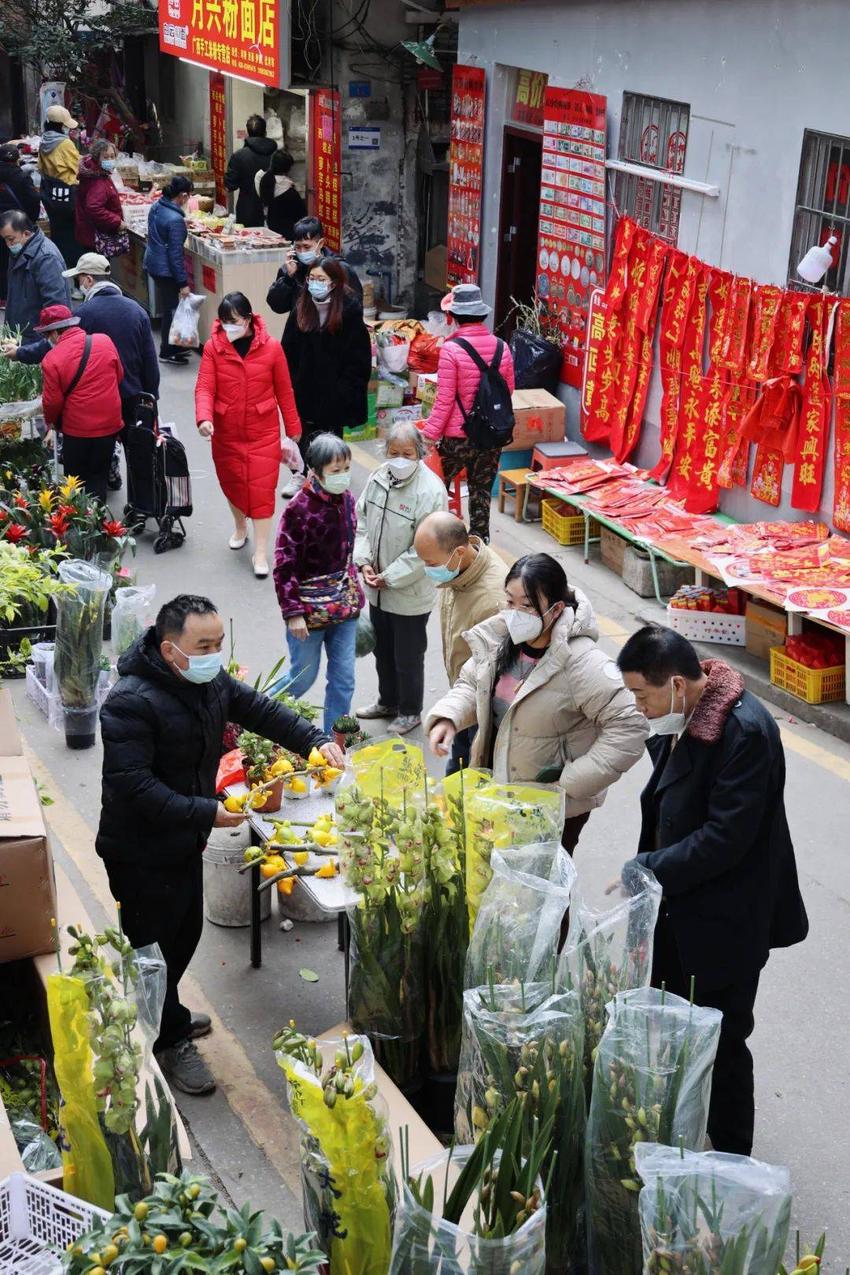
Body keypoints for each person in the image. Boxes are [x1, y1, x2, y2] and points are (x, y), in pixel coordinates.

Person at [97, 594, 344, 1094]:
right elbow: (133, 786)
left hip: (183, 838)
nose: (214, 653)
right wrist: (208, 811)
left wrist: (314, 740)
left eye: (218, 643)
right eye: (203, 645)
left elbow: (262, 711)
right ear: (170, 650)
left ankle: (168, 1016)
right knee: (152, 949)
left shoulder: (208, 681)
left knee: (183, 933)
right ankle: (165, 1042)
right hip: (140, 849)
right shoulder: (129, 702)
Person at [615, 624, 809, 1156]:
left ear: (677, 684)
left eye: (641, 695)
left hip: (727, 919)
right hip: (682, 909)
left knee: (723, 1043)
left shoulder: (744, 732)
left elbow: (726, 839)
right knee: (677, 1026)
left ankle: (729, 1159)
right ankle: (681, 1131)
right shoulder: (679, 716)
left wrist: (650, 866)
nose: (639, 708)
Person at [426, 553, 647, 853]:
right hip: (501, 790)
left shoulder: (582, 662)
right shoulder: (501, 637)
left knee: (543, 891)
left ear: (556, 609)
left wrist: (571, 782)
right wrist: (448, 717)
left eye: (527, 605)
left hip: (551, 808)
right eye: (510, 601)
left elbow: (630, 724)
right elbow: (470, 684)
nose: (515, 613)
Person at [195, 291, 302, 577]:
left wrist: (293, 429)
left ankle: (260, 552)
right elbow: (205, 386)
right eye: (224, 321)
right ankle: (240, 526)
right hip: (226, 432)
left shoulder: (272, 348)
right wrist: (204, 418)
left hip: (262, 432)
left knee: (262, 491)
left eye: (234, 321)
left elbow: (284, 391)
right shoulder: (213, 348)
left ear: (249, 318)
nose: (229, 327)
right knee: (232, 483)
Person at [354, 421, 448, 735]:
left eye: (407, 453)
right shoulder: (378, 478)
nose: (400, 459)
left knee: (408, 655)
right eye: (394, 452)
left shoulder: (431, 491)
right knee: (382, 649)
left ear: (419, 453)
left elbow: (427, 549)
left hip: (409, 593)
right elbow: (363, 521)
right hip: (377, 589)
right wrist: (364, 561)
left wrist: (390, 576)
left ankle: (410, 710)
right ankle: (387, 701)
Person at [272, 433, 365, 733]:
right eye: (335, 471)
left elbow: (348, 550)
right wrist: (293, 612)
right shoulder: (298, 510)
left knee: (344, 680)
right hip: (308, 615)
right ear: (315, 472)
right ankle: (256, 713)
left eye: (346, 469)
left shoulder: (348, 500)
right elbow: (284, 565)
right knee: (302, 678)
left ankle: (333, 741)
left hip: (343, 611)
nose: (343, 477)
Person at [413, 510, 508, 773]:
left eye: (432, 564)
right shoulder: (458, 575)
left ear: (460, 552)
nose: (428, 570)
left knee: (467, 774)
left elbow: (492, 676)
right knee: (458, 766)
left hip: (482, 705)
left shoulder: (493, 599)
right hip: (462, 693)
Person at [421, 283, 516, 543]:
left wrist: (428, 436)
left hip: (457, 438)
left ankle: (435, 541)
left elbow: (444, 400)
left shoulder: (452, 349)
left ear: (454, 316)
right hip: (492, 436)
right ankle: (479, 547)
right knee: (481, 493)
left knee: (434, 487)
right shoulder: (502, 347)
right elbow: (508, 391)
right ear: (482, 315)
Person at [281, 257, 372, 486]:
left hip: (335, 392)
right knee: (303, 434)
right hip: (305, 388)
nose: (315, 283)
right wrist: (290, 383)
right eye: (311, 278)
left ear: (334, 283)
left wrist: (345, 390)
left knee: (330, 439)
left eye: (321, 279)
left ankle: (331, 478)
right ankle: (301, 476)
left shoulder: (349, 312)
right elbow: (287, 350)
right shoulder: (301, 308)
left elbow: (359, 358)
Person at [36, 304, 123, 503]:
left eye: (47, 335)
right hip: (109, 425)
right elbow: (119, 375)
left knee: (75, 482)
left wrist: (51, 425)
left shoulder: (52, 359)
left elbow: (52, 402)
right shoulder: (104, 341)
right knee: (98, 477)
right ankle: (99, 523)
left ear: (56, 333)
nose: (48, 340)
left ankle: (81, 528)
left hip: (78, 430)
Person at [267, 214, 363, 318]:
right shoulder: (291, 269)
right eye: (298, 247)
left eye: (306, 247)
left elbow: (355, 307)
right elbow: (277, 306)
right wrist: (288, 279)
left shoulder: (340, 269)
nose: (302, 252)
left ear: (321, 243)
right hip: (301, 328)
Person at [143, 174, 194, 365]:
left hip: (153, 262)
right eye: (188, 196)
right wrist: (183, 283)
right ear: (182, 195)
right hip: (166, 269)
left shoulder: (158, 206)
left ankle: (176, 346)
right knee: (171, 308)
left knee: (170, 306)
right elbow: (175, 255)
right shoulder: (175, 220)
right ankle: (167, 350)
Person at [0, 211, 70, 340]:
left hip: (36, 339)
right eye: (5, 239)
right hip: (19, 335)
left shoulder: (46, 258)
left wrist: (46, 343)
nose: (8, 244)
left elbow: (55, 304)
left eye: (10, 239)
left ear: (26, 233)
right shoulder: (20, 250)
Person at [37, 104, 81, 266]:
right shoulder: (65, 144)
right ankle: (73, 268)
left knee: (58, 232)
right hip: (67, 194)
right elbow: (78, 168)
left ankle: (59, 264)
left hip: (50, 194)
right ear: (61, 125)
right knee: (72, 235)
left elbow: (40, 168)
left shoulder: (44, 141)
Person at [0, 144, 41, 300]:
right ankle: (18, 293)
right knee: (19, 258)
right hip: (16, 224)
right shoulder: (22, 177)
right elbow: (33, 199)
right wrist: (29, 220)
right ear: (17, 159)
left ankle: (2, 296)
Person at [224, 114, 277, 227]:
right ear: (265, 132)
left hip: (247, 210)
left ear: (248, 133)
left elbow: (230, 185)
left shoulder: (239, 156)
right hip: (275, 208)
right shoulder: (277, 154)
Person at [74, 139, 125, 255]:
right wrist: (117, 221)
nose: (110, 160)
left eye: (112, 157)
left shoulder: (97, 173)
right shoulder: (97, 180)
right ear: (97, 158)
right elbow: (94, 208)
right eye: (106, 157)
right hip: (95, 237)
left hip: (88, 232)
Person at [256, 148, 307, 239]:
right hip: (286, 234)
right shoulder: (289, 191)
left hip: (269, 229)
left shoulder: (263, 180)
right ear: (288, 168)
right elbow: (301, 216)